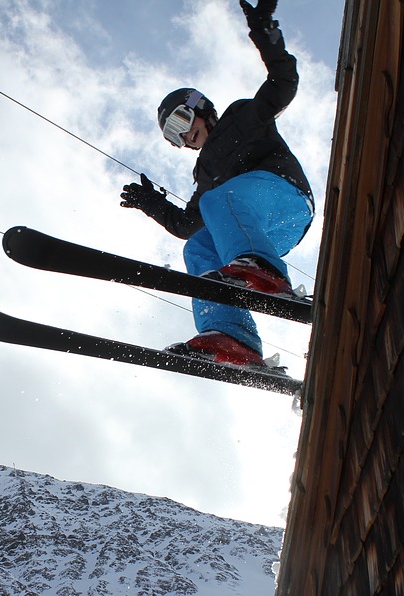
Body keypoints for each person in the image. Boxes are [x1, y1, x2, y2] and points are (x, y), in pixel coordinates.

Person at [120, 0, 314, 367]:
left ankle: (261, 267)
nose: (184, 137)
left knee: (217, 202)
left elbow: (283, 83)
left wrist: (265, 33)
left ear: (199, 107)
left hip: (286, 198)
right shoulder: (206, 174)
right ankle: (231, 335)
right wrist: (151, 203)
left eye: (181, 122)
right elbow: (184, 225)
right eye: (173, 137)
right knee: (197, 247)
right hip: (258, 231)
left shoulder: (242, 116)